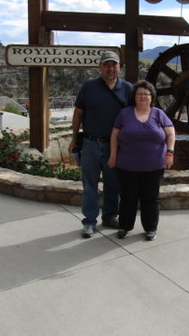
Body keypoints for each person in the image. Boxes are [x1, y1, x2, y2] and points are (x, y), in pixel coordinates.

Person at [69, 51, 132, 238]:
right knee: (90, 185)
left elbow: (133, 117)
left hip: (115, 147)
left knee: (114, 184)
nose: (110, 68)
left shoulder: (128, 89)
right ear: (100, 67)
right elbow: (78, 113)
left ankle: (110, 216)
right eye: (106, 64)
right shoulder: (89, 86)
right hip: (90, 143)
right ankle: (89, 221)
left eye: (114, 65)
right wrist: (74, 138)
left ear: (119, 67)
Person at [108, 80, 175, 241]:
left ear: (152, 97)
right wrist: (113, 156)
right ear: (134, 97)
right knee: (127, 197)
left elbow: (171, 134)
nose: (143, 96)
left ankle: (150, 228)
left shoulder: (159, 114)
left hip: (154, 166)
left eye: (146, 94)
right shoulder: (124, 114)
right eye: (139, 94)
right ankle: (125, 226)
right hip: (126, 165)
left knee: (150, 198)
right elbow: (114, 136)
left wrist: (170, 153)